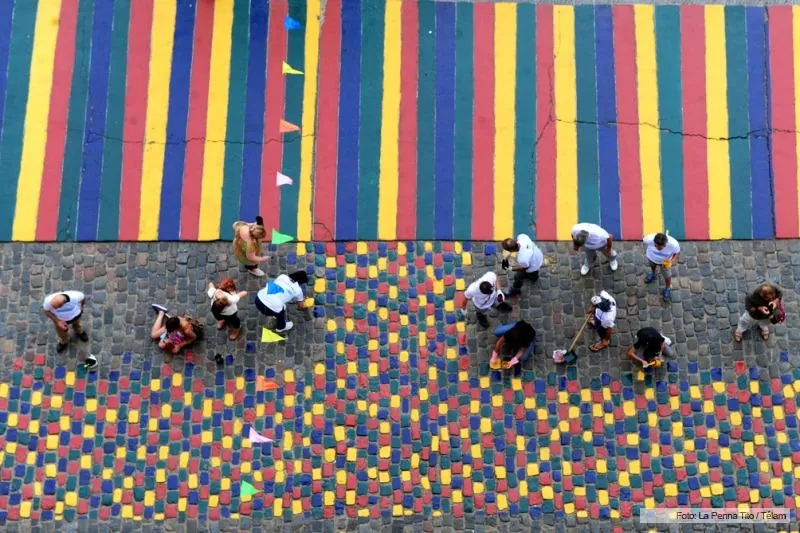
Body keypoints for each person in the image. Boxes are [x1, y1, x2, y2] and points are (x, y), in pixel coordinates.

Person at [43, 290, 96, 368]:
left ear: (63, 303)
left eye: (56, 307)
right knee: (61, 333)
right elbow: (46, 311)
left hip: (75, 316)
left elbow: (82, 299)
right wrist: (57, 321)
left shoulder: (76, 296)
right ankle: (64, 341)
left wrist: (81, 308)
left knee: (77, 325)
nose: (53, 309)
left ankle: (79, 331)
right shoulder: (48, 301)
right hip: (60, 320)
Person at [643, 232, 680, 301]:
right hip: (652, 258)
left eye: (661, 248)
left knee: (667, 275)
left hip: (665, 262)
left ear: (665, 244)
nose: (658, 249)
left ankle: (668, 287)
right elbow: (644, 244)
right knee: (652, 266)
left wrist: (672, 261)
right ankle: (653, 274)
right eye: (657, 246)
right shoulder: (648, 239)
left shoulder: (673, 244)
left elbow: (677, 253)